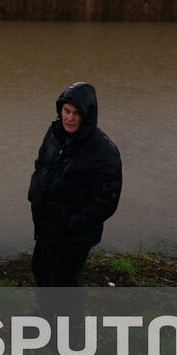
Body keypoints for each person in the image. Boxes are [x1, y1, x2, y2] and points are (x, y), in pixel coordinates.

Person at [27, 83, 122, 286]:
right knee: (41, 271)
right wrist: (34, 193)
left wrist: (72, 222)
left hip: (74, 236)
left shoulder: (104, 151)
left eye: (76, 113)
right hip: (46, 224)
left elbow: (106, 201)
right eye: (66, 111)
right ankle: (45, 316)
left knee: (65, 283)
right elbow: (41, 165)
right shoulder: (55, 134)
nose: (69, 118)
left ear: (87, 115)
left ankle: (69, 319)